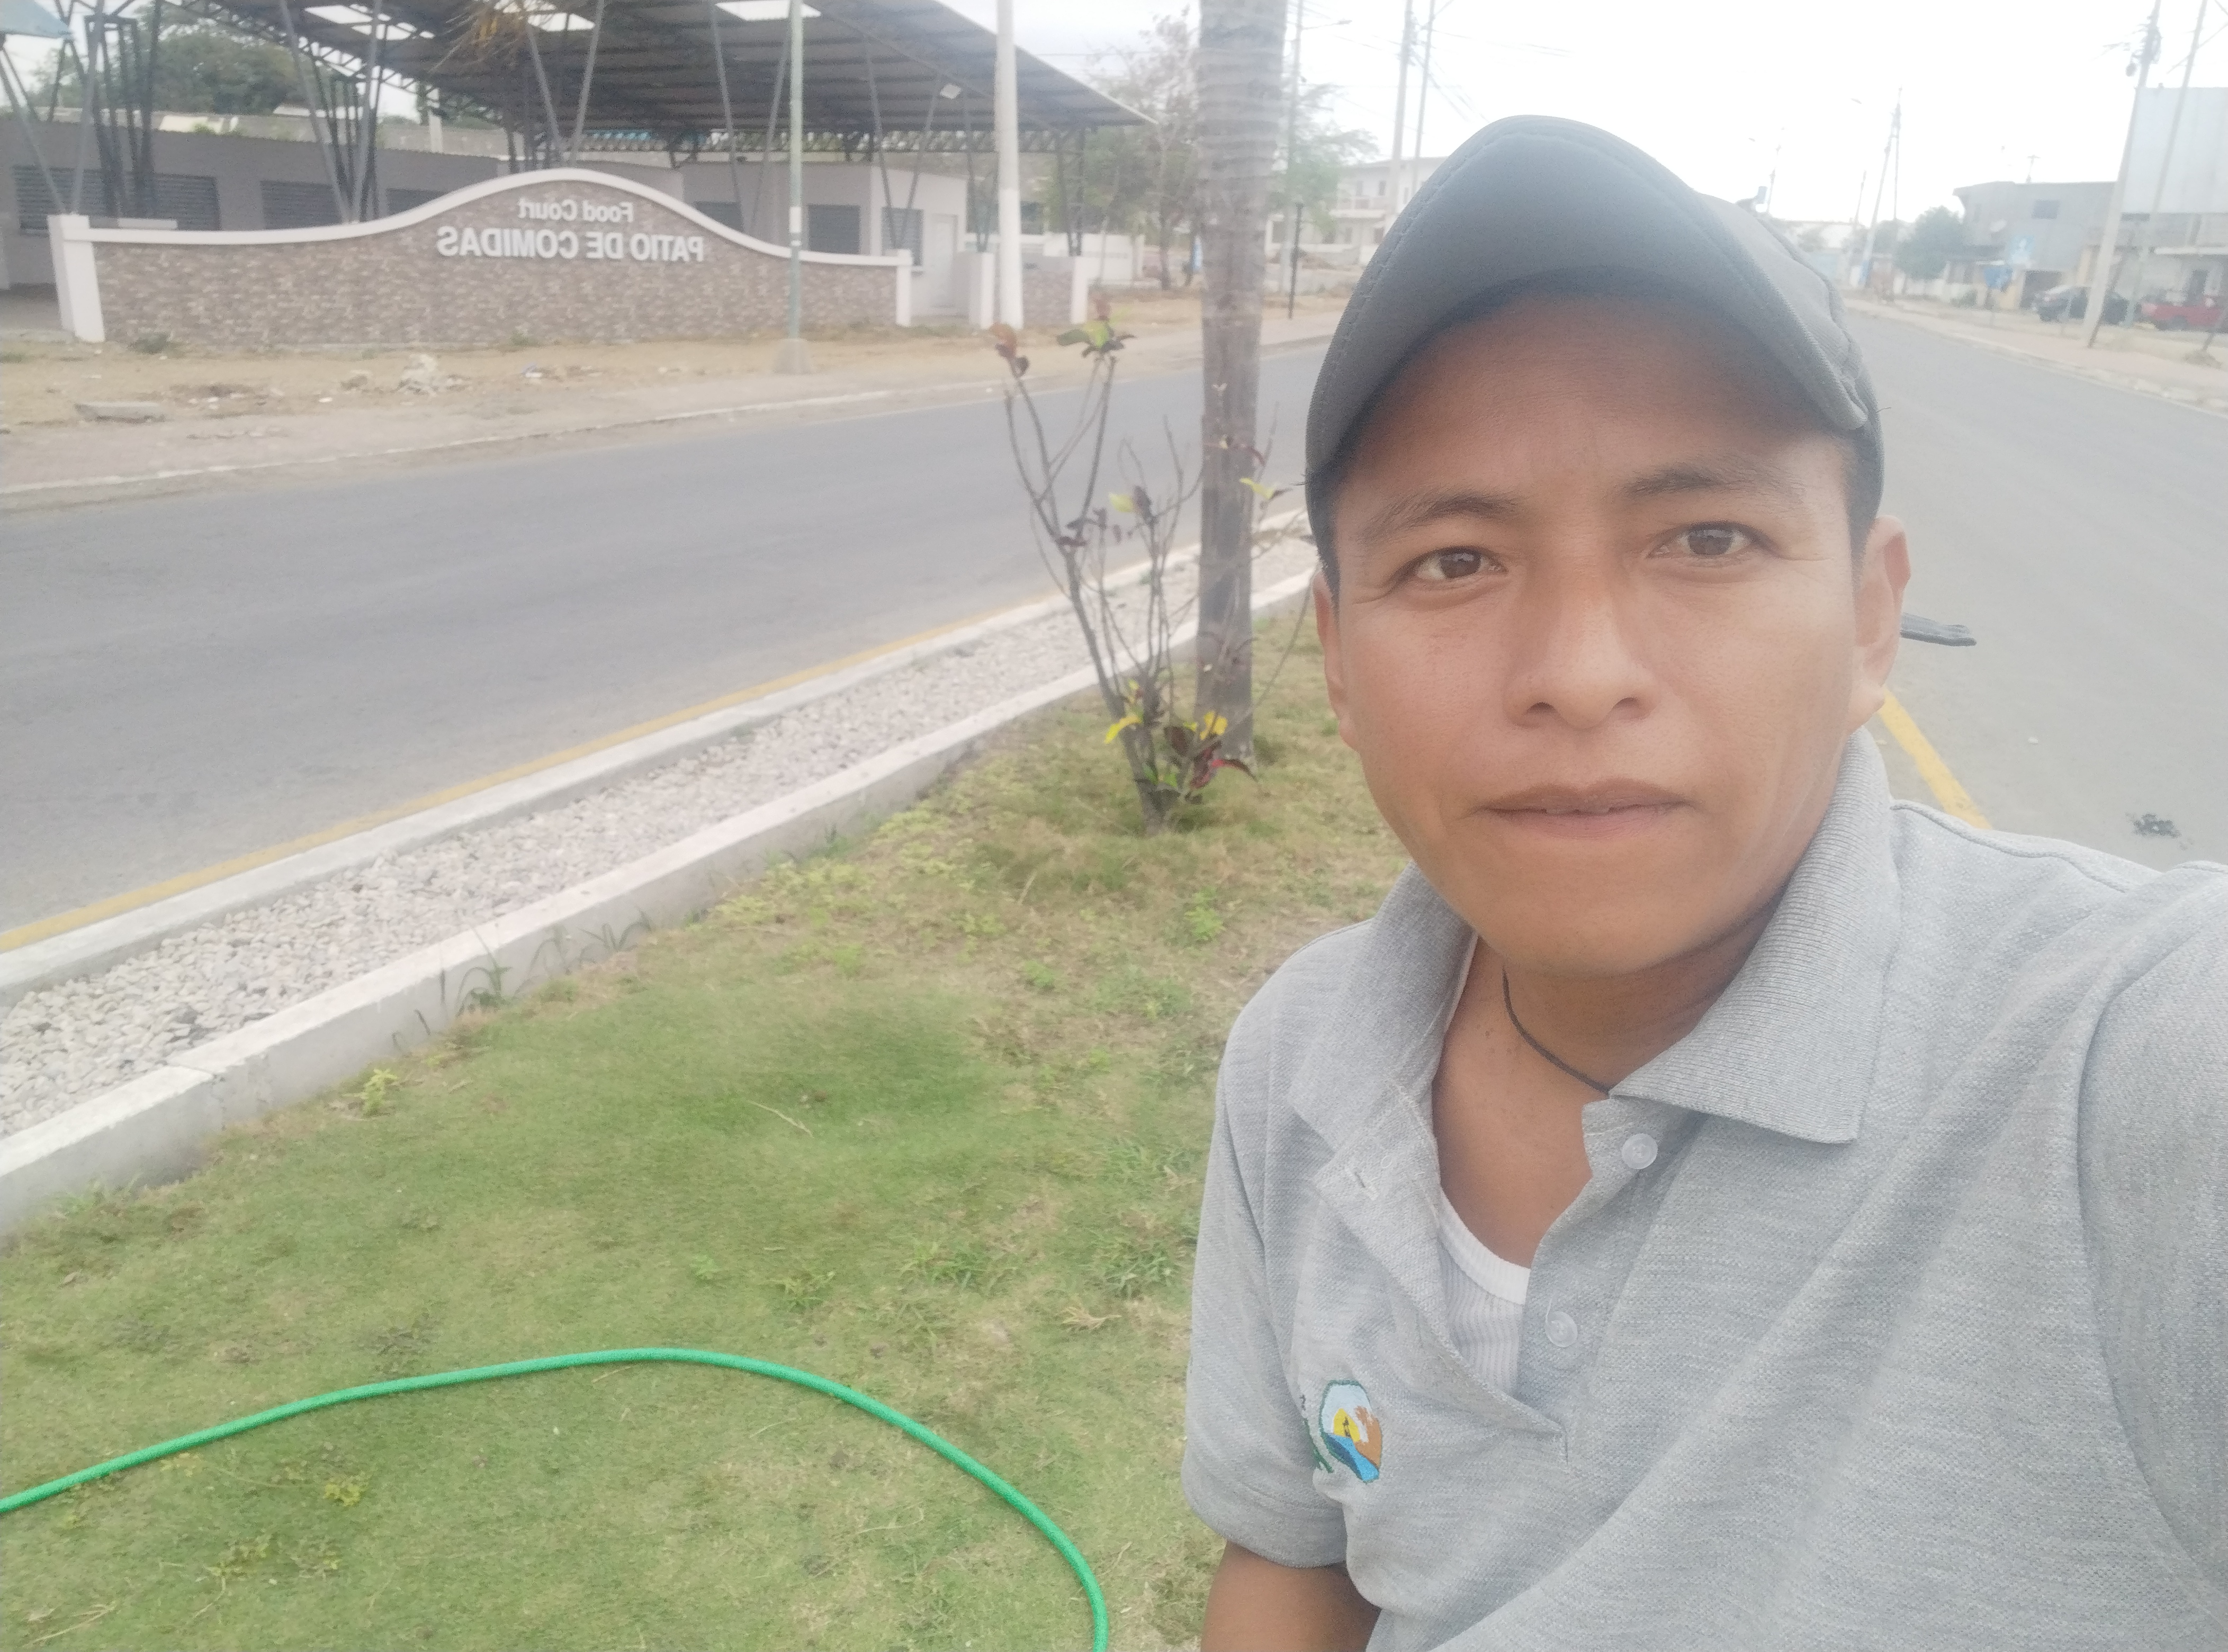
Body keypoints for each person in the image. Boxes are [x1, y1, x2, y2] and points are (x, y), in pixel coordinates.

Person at [1182, 116, 2225, 1651]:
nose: (1579, 672)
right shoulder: (1302, 1060)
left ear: (1869, 622)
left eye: (1708, 537)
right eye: (1456, 561)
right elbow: (1294, 1561)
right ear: (1339, 661)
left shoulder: (2128, 1068)